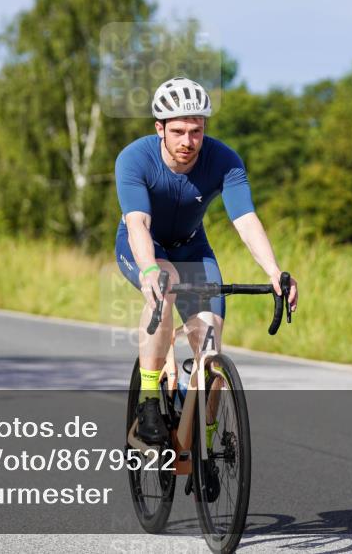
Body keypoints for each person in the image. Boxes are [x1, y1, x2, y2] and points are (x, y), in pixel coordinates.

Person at [115, 77, 298, 445]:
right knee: (163, 283)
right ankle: (150, 401)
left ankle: (204, 440)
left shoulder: (224, 161)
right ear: (160, 129)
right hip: (144, 247)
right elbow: (138, 222)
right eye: (179, 131)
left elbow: (245, 221)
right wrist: (149, 268)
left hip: (194, 249)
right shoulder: (135, 158)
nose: (188, 141)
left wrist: (274, 272)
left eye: (196, 131)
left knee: (211, 352)